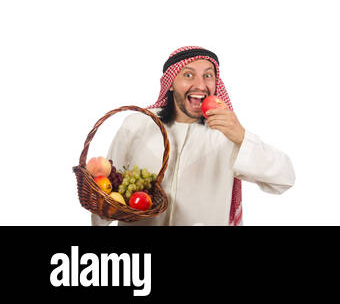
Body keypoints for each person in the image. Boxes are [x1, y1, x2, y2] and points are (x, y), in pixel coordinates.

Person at [92, 46, 296, 226]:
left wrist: (242, 137)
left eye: (208, 76)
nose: (200, 85)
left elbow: (284, 179)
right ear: (170, 83)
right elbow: (106, 192)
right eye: (188, 75)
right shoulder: (137, 124)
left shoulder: (226, 134)